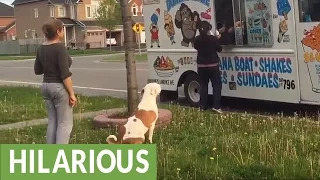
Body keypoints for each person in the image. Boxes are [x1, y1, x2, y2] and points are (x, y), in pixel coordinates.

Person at [34, 19, 77, 144]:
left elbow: (38, 70)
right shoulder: (60, 48)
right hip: (59, 88)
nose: (63, 32)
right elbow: (65, 75)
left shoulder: (41, 48)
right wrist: (72, 94)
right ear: (58, 32)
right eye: (62, 30)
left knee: (53, 121)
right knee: (64, 123)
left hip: (46, 86)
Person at [194, 21, 223, 114]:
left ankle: (203, 106)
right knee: (216, 86)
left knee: (203, 86)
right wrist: (218, 39)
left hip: (201, 66)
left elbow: (196, 47)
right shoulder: (213, 39)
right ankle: (216, 106)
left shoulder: (197, 39)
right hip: (213, 65)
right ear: (209, 29)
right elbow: (220, 49)